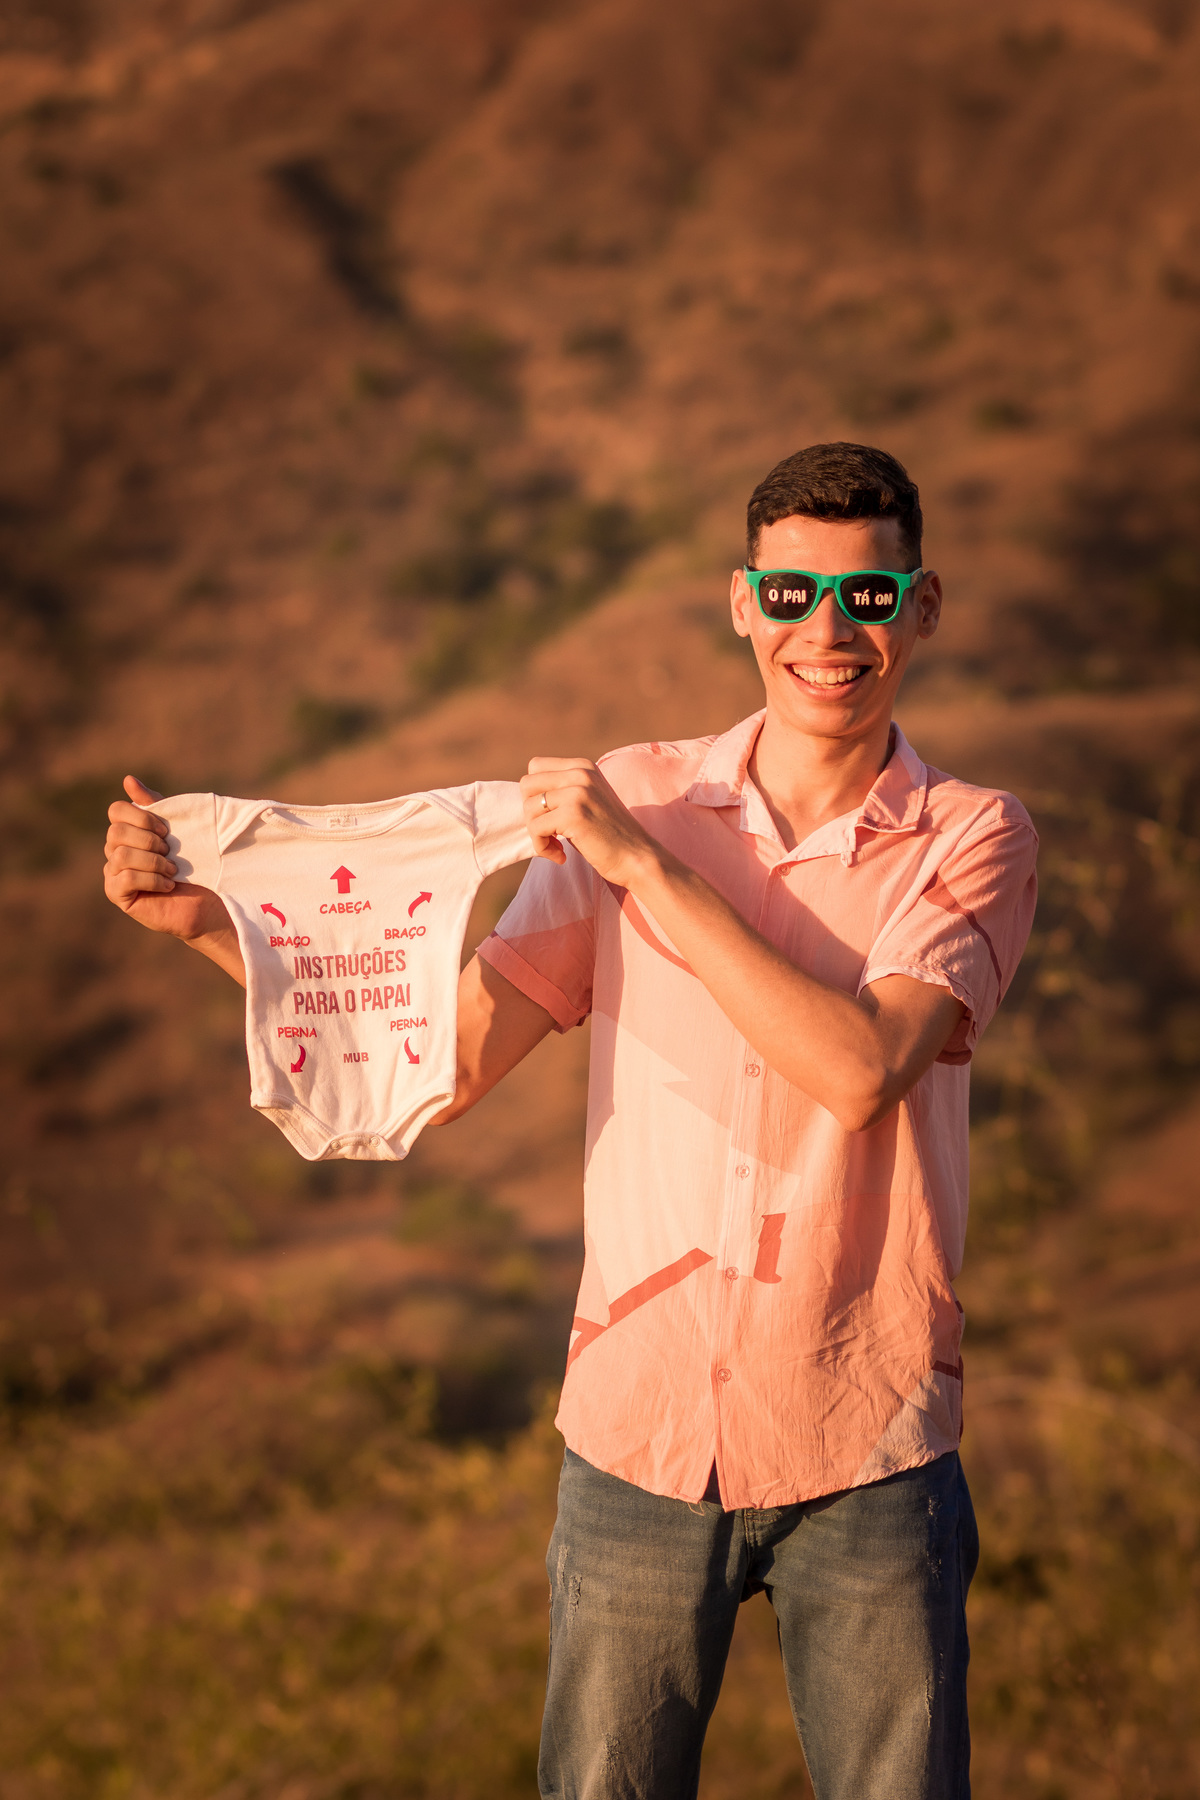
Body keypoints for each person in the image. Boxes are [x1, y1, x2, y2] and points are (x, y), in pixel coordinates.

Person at [104, 442, 1037, 1800]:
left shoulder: (972, 836)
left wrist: (646, 868)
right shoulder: (634, 793)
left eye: (869, 596)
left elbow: (862, 1071)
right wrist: (208, 924)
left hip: (871, 1437)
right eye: (791, 595)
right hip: (637, 1429)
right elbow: (452, 1056)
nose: (828, 632)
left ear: (924, 604)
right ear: (742, 603)